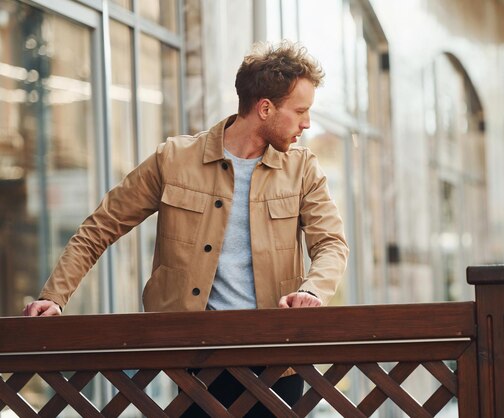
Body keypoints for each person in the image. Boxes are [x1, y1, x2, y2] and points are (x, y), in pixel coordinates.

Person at [23, 41, 349, 416]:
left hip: (275, 360)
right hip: (192, 360)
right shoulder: (174, 159)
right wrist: (54, 296)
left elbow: (331, 244)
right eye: (300, 112)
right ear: (264, 109)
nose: (307, 124)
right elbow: (100, 227)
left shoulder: (302, 168)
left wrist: (312, 290)